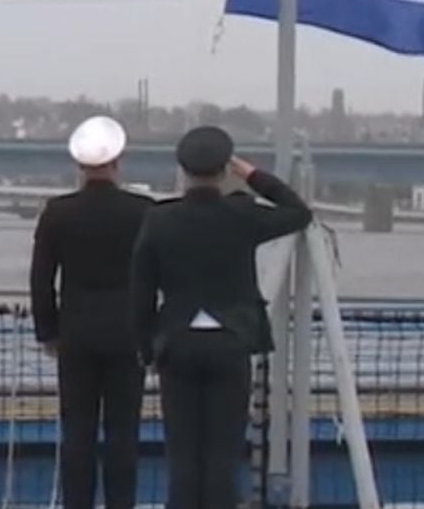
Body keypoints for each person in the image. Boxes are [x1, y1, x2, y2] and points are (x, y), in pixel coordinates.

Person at [129, 126, 311, 509]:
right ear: (225, 170)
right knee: (222, 455)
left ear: (183, 171)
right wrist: (253, 175)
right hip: (230, 340)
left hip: (177, 341)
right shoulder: (241, 213)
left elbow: (141, 290)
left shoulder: (158, 219)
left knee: (182, 455)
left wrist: (146, 348)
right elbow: (298, 212)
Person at [29, 116, 156, 509]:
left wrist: (48, 331)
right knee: (124, 433)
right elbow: (158, 275)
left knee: (78, 432)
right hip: (128, 332)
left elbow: (41, 279)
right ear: (117, 162)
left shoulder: (58, 212)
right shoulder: (144, 211)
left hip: (76, 331)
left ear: (79, 166)